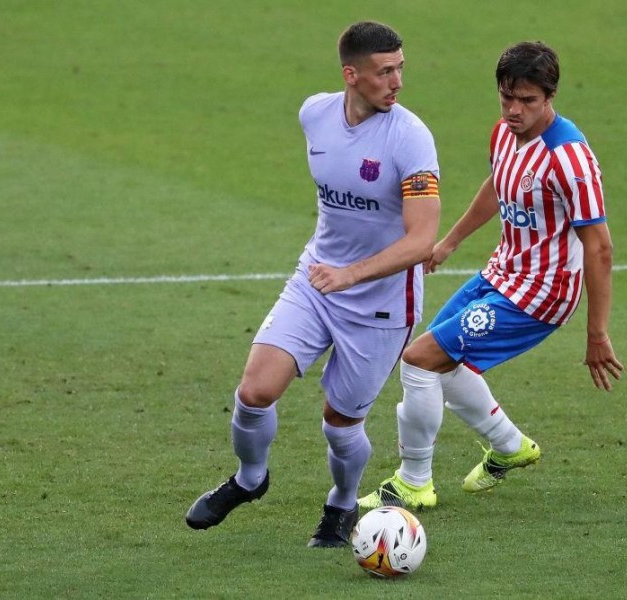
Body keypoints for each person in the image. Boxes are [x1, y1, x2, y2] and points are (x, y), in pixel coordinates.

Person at [185, 21, 441, 548]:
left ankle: (341, 505)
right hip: (316, 279)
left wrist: (351, 274)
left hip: (381, 304)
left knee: (340, 425)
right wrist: (334, 270)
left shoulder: (410, 136)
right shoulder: (315, 114)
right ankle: (250, 479)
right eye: (384, 71)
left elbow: (422, 241)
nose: (397, 82)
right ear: (351, 74)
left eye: (400, 69)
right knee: (254, 392)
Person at [359, 41, 623, 510]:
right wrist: (450, 242)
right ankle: (509, 446)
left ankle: (414, 482)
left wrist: (597, 333)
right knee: (440, 359)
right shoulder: (503, 133)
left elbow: (599, 248)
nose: (515, 110)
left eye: (528, 101)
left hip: (542, 293)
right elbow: (498, 186)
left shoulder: (570, 159)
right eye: (507, 98)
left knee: (421, 360)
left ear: (550, 97)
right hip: (502, 273)